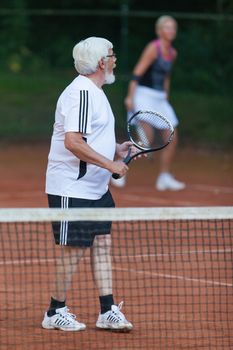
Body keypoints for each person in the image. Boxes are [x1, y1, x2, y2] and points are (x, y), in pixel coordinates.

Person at [42, 37, 133, 332]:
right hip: (73, 187)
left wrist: (115, 151)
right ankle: (54, 312)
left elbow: (90, 138)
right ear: (100, 62)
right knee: (74, 249)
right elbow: (73, 142)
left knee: (102, 244)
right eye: (111, 54)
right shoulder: (80, 92)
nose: (115, 58)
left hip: (96, 188)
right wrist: (111, 165)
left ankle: (107, 311)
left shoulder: (96, 91)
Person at [111, 15, 185, 191]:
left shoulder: (172, 53)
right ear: (159, 31)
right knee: (147, 138)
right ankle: (118, 168)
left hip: (159, 98)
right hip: (143, 95)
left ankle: (164, 177)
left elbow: (166, 76)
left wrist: (165, 96)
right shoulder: (153, 48)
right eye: (167, 27)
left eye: (173, 27)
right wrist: (130, 97)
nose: (171, 31)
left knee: (172, 137)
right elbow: (137, 73)